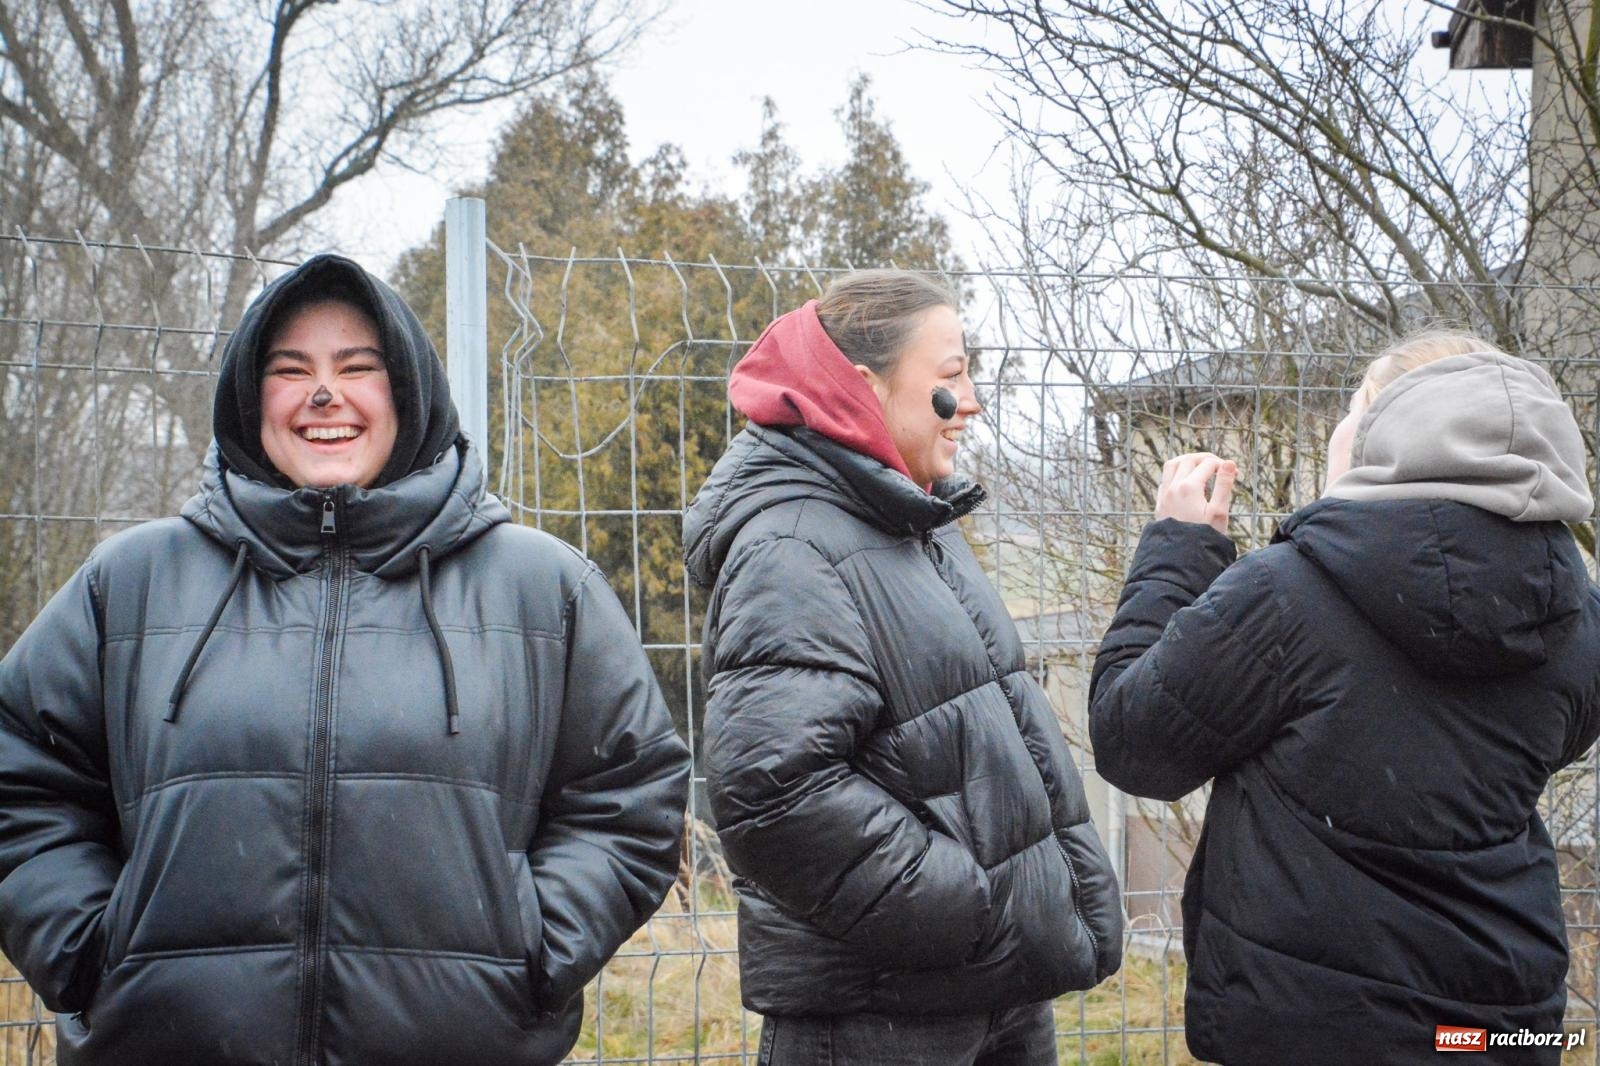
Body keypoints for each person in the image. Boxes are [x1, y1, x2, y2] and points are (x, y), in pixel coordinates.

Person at [0, 254, 691, 1064]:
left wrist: (531, 951)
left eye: (357, 368)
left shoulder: (542, 588)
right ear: (251, 398)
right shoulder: (131, 581)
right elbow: (20, 779)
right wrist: (93, 954)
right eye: (292, 370)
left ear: (408, 392)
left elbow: (629, 797)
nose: (323, 394)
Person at [1089, 331, 1600, 1065]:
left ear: (1390, 435)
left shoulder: (1287, 595)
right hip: (1497, 1023)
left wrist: (1176, 552)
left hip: (1317, 1026)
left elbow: (1134, 745)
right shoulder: (1574, 616)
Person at [684, 269, 1123, 1066]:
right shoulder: (791, 545)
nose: (974, 400)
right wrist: (963, 902)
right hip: (885, 1015)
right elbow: (770, 788)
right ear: (863, 386)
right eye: (950, 378)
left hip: (984, 992)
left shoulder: (915, 519)